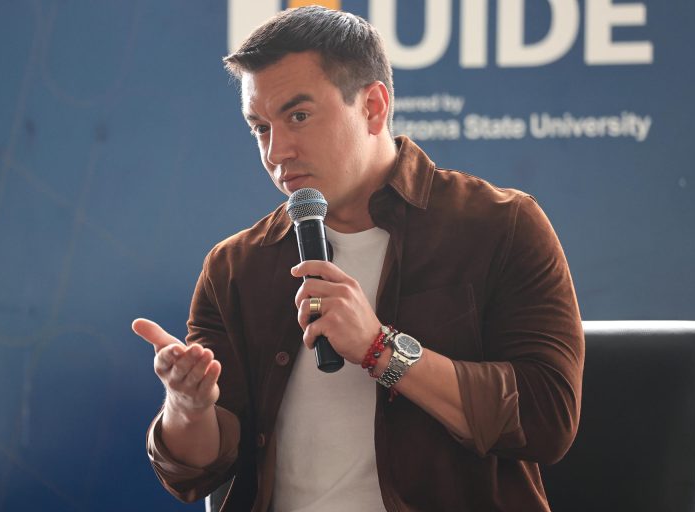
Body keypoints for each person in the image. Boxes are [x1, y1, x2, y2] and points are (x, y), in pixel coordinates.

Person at [132, 6, 583, 512]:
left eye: (298, 117)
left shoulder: (500, 226)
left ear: (373, 106)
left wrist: (379, 348)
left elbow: (548, 419)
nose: (276, 152)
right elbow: (193, 474)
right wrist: (188, 407)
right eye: (260, 127)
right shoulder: (236, 267)